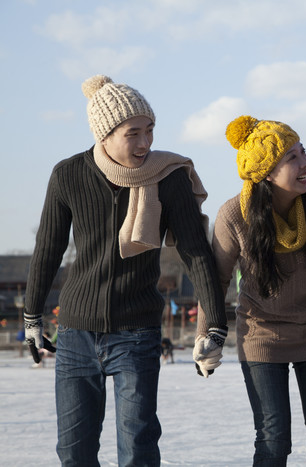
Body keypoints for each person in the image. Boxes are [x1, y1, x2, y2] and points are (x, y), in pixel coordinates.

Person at [24, 75, 229, 466]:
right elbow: (48, 249)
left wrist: (214, 325)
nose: (145, 143)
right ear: (104, 134)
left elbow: (195, 253)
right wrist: (32, 315)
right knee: (74, 452)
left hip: (137, 332)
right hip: (75, 334)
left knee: (137, 448)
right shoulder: (67, 175)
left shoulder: (168, 177)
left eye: (149, 130)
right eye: (133, 133)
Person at [195, 115, 306, 466]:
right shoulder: (234, 215)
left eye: (303, 152)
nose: (305, 164)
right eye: (292, 158)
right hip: (262, 334)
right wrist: (205, 337)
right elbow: (217, 281)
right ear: (266, 173)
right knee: (273, 437)